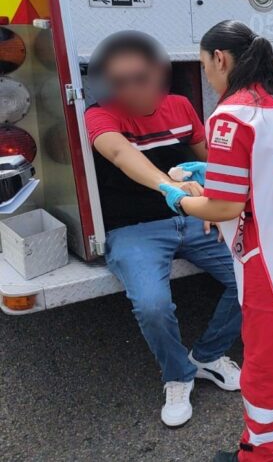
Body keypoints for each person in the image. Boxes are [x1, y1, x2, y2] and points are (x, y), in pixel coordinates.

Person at [158, 21, 273, 461]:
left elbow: (224, 209)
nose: (206, 76)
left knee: (265, 363)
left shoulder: (229, 115)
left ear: (220, 59)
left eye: (205, 66)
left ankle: (261, 454)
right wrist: (216, 175)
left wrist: (179, 200)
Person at [83, 31, 241, 428]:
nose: (133, 89)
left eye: (142, 77)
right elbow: (121, 154)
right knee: (153, 305)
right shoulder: (99, 115)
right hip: (134, 228)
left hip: (191, 217)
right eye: (121, 82)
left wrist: (214, 201)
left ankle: (206, 356)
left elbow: (214, 160)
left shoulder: (181, 107)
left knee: (252, 273)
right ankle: (177, 376)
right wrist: (172, 189)